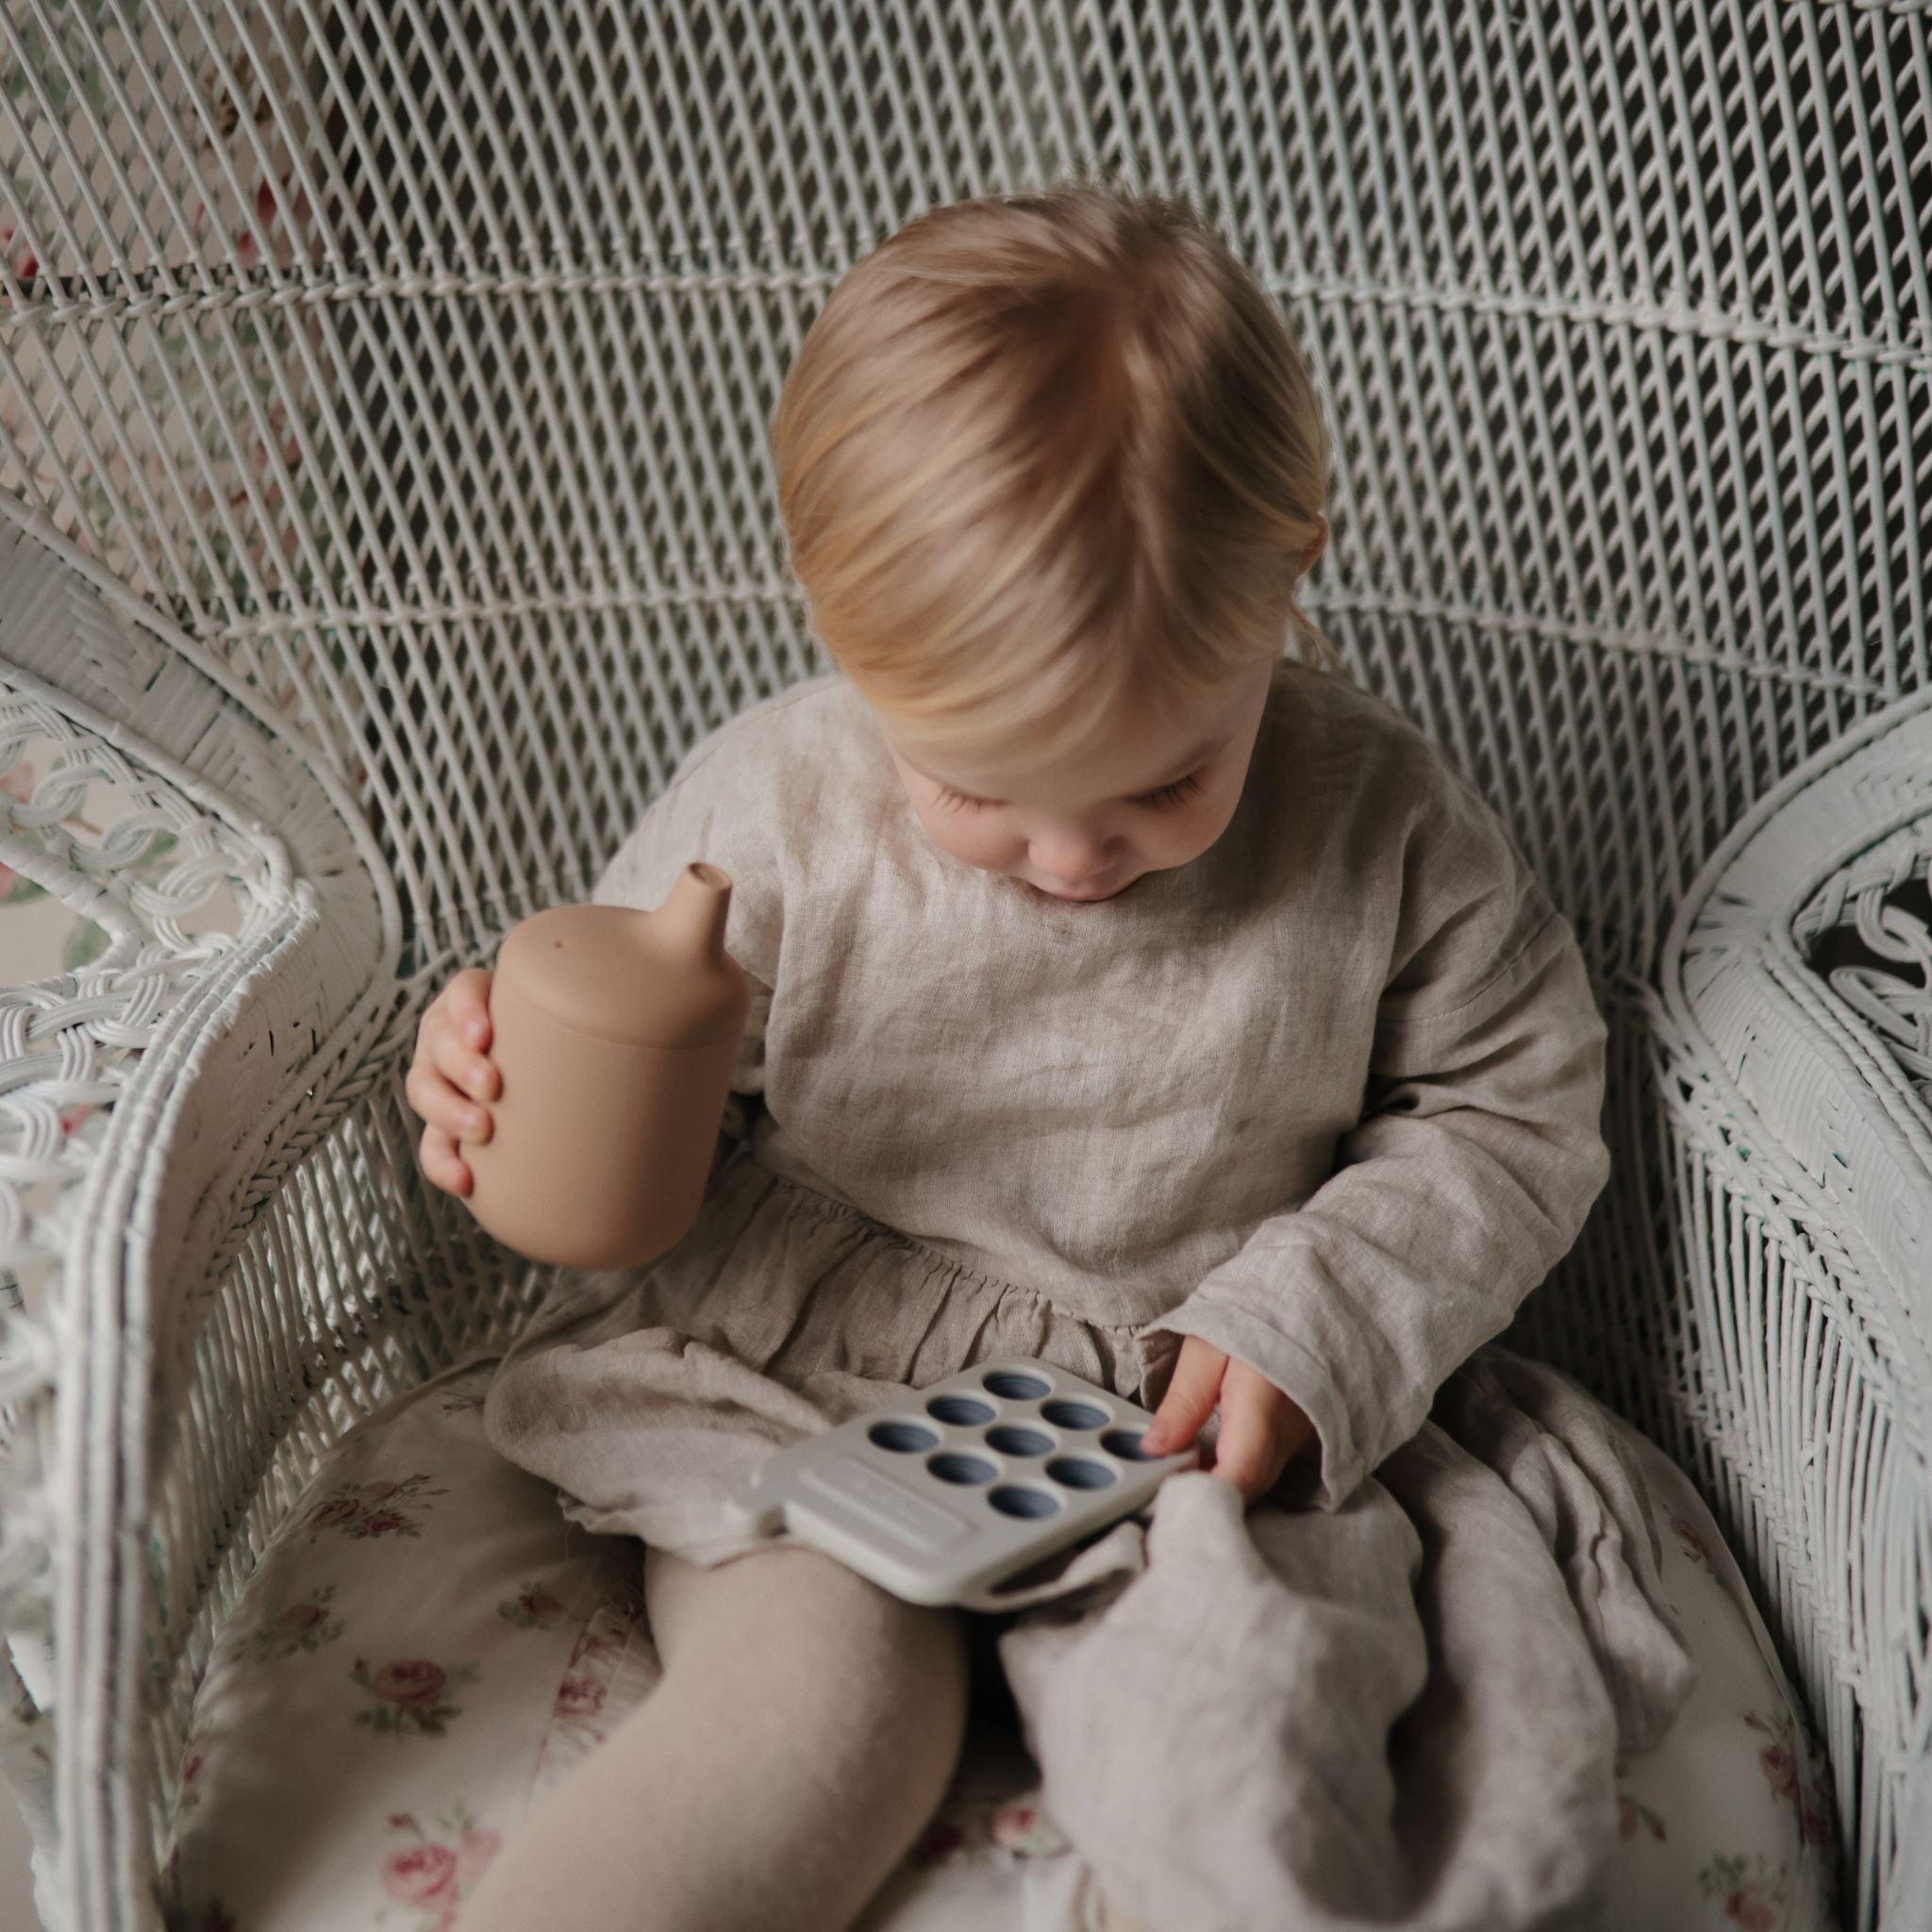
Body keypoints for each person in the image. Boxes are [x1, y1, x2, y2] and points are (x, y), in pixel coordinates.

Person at [407, 179, 1693, 1932]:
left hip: (1200, 1407)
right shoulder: (772, 814)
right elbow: (628, 1122)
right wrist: (504, 1096)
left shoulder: (1379, 819)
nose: (1079, 862)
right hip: (808, 1372)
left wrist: (1321, 1317)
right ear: (844, 639)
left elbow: (1514, 1102)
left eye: (1169, 781)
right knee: (820, 1704)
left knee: (1255, 1733)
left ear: (1286, 581)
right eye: (977, 795)